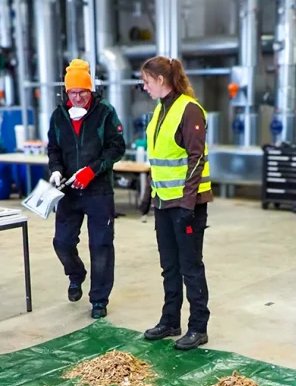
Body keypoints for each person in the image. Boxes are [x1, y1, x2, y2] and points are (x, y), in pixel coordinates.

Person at [139, 56, 212, 350]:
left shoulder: (189, 110)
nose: (144, 86)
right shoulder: (160, 110)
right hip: (164, 202)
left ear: (160, 79)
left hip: (187, 205)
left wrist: (187, 204)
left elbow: (196, 159)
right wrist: (152, 197)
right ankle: (170, 320)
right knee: (169, 265)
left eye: (146, 81)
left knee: (190, 265)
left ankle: (198, 326)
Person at [46, 59, 126, 319]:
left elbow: (116, 147)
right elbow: (54, 149)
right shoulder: (59, 116)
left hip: (98, 190)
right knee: (62, 242)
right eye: (73, 93)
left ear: (91, 91)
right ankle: (76, 274)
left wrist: (93, 170)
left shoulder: (105, 112)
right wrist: (56, 170)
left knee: (101, 244)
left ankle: (99, 300)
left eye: (83, 92)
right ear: (66, 92)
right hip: (69, 191)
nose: (78, 97)